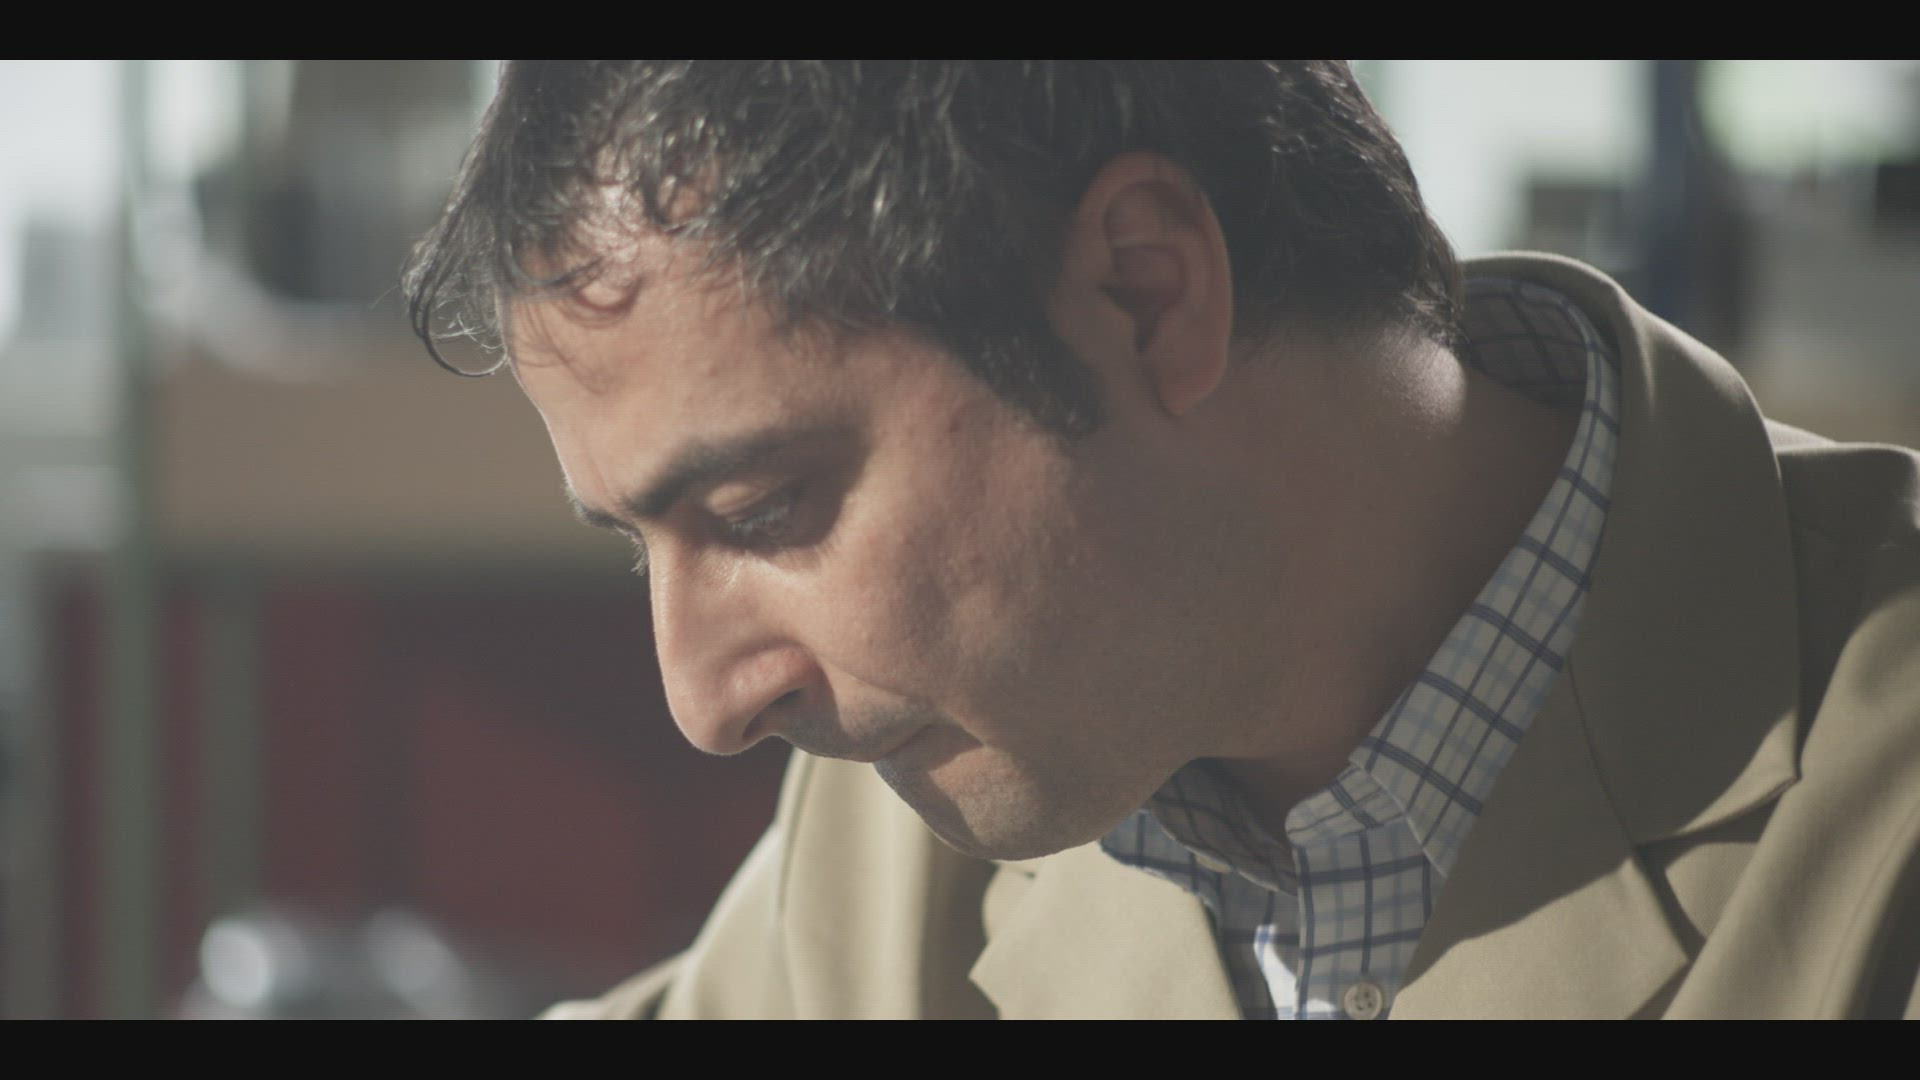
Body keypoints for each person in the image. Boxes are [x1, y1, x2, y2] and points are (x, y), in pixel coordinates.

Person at [404, 61, 1920, 1019]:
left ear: (1146, 291)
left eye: (760, 513)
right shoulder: (946, 776)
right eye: (641, 544)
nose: (705, 701)